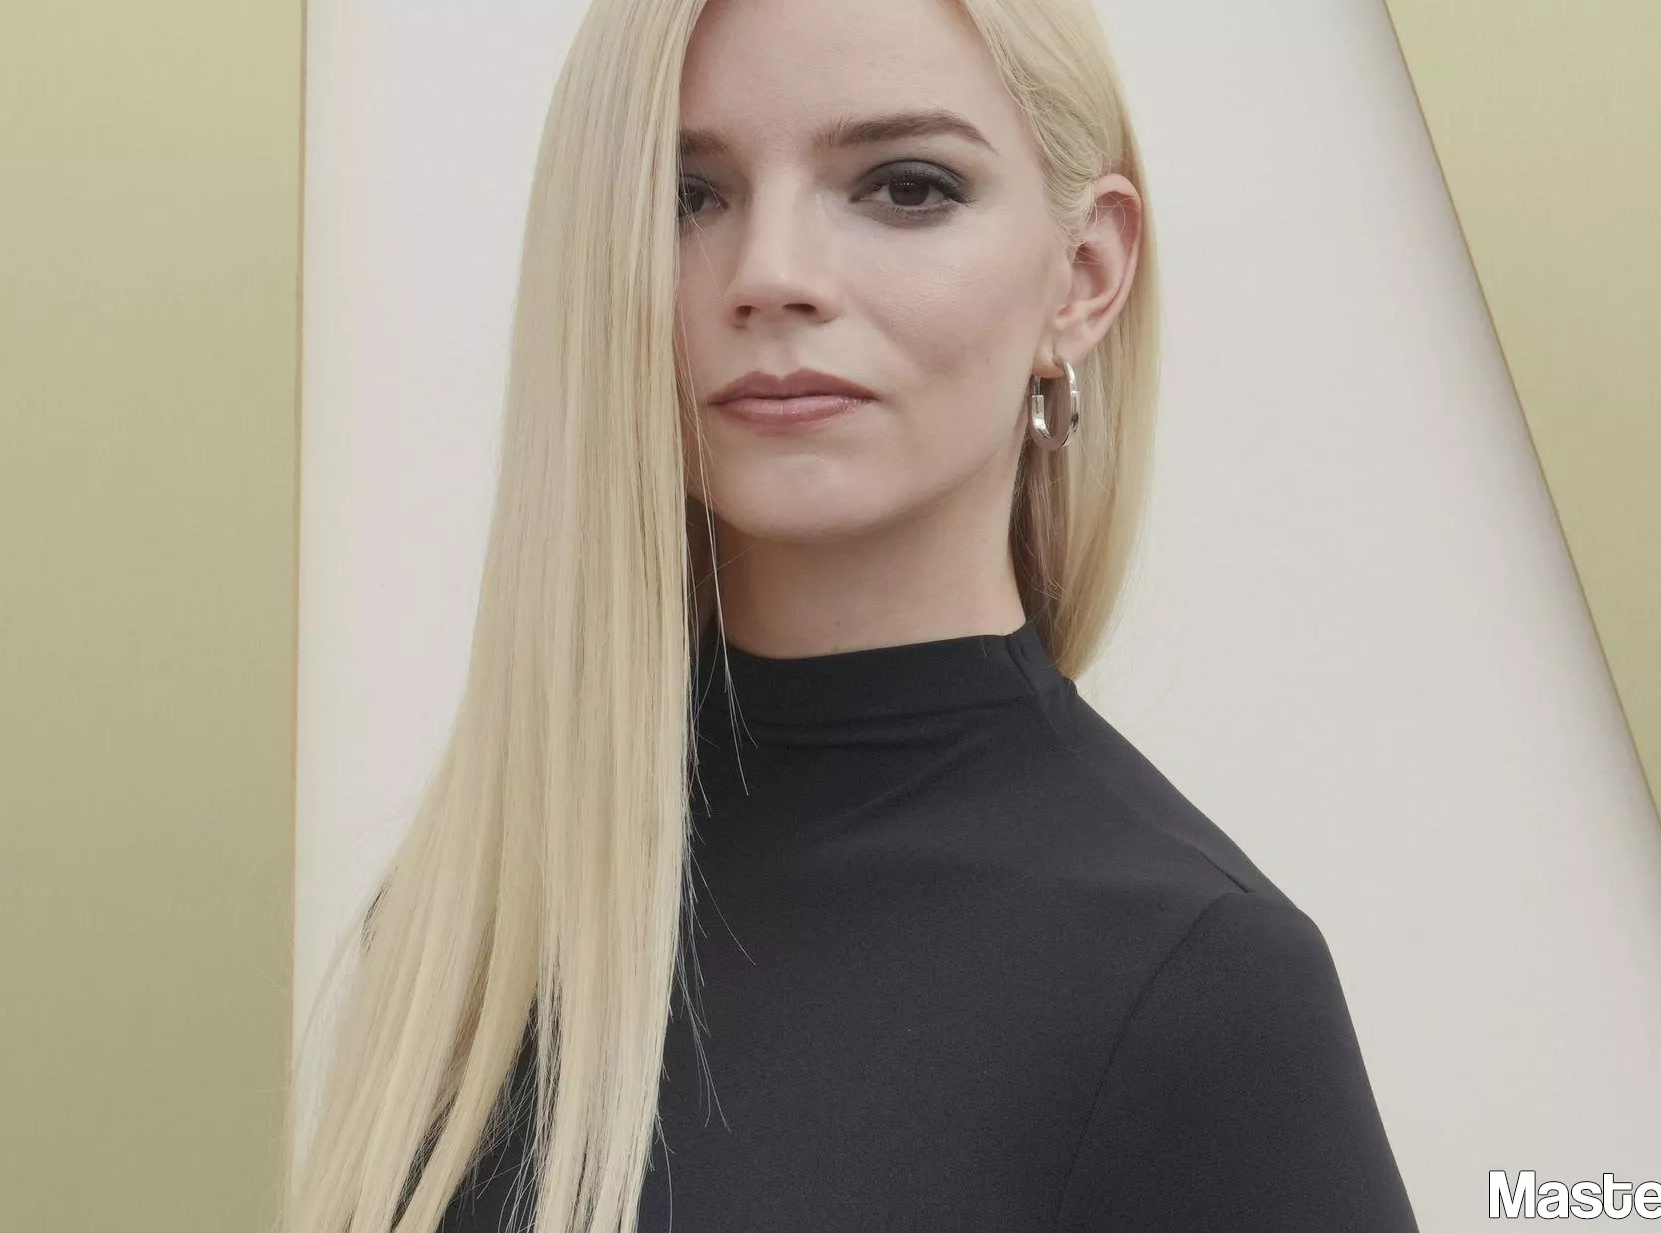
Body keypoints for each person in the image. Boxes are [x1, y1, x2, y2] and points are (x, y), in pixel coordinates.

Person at [280, 0, 1422, 1230]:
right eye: (686, 196)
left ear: (1083, 276)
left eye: (905, 187)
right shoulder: (476, 921)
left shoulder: (1199, 981)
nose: (771, 273)